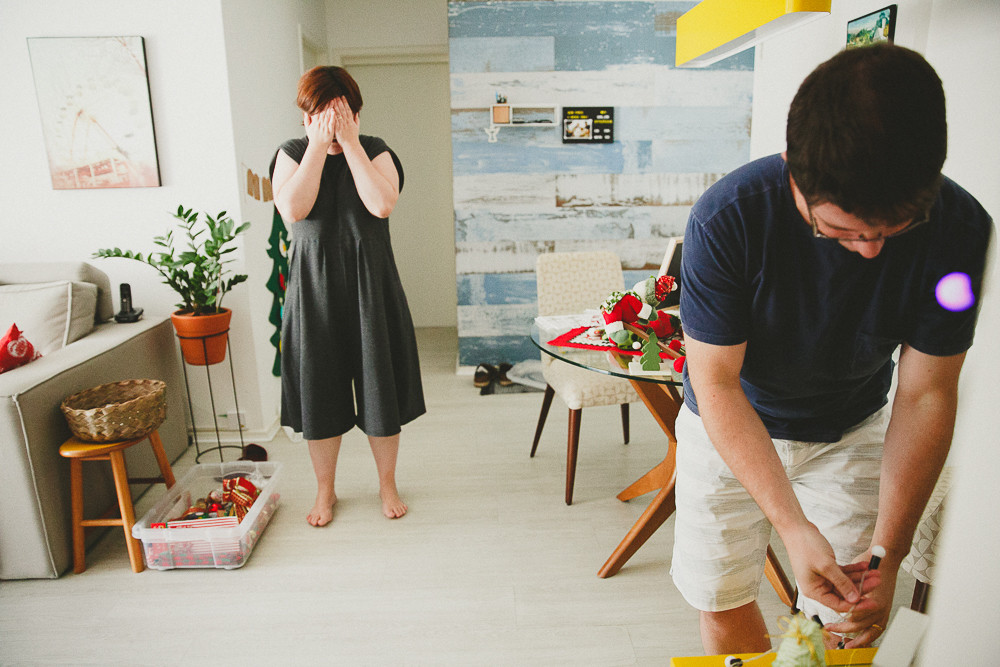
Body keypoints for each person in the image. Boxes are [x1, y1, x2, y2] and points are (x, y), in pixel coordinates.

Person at [672, 44, 993, 654]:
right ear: (794, 169)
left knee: (840, 618)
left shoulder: (958, 232)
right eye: (840, 230)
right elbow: (716, 382)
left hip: (850, 427)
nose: (870, 251)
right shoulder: (728, 219)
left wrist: (889, 553)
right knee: (721, 595)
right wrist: (792, 525)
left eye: (892, 231)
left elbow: (926, 392)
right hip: (729, 423)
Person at [269, 66, 425, 526]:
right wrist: (319, 147)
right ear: (306, 118)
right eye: (322, 115)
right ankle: (324, 492)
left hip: (371, 288)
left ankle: (387, 484)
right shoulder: (292, 153)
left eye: (341, 114)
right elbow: (293, 209)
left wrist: (350, 144)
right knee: (319, 392)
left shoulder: (377, 151)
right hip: (313, 290)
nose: (332, 124)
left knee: (380, 392)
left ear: (356, 113)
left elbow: (381, 204)